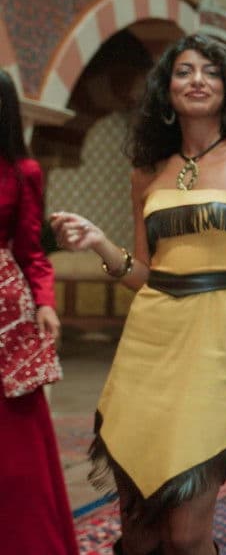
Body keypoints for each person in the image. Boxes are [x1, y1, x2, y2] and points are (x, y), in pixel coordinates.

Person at [49, 33, 226, 555]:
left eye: (210, 71)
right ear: (167, 90)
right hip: (148, 341)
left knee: (187, 534)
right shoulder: (148, 171)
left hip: (214, 341)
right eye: (184, 71)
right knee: (139, 530)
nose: (197, 81)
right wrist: (99, 242)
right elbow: (144, 273)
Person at [0, 69, 77, 554]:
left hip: (5, 316)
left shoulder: (23, 171)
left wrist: (45, 303)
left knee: (14, 445)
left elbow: (32, 251)